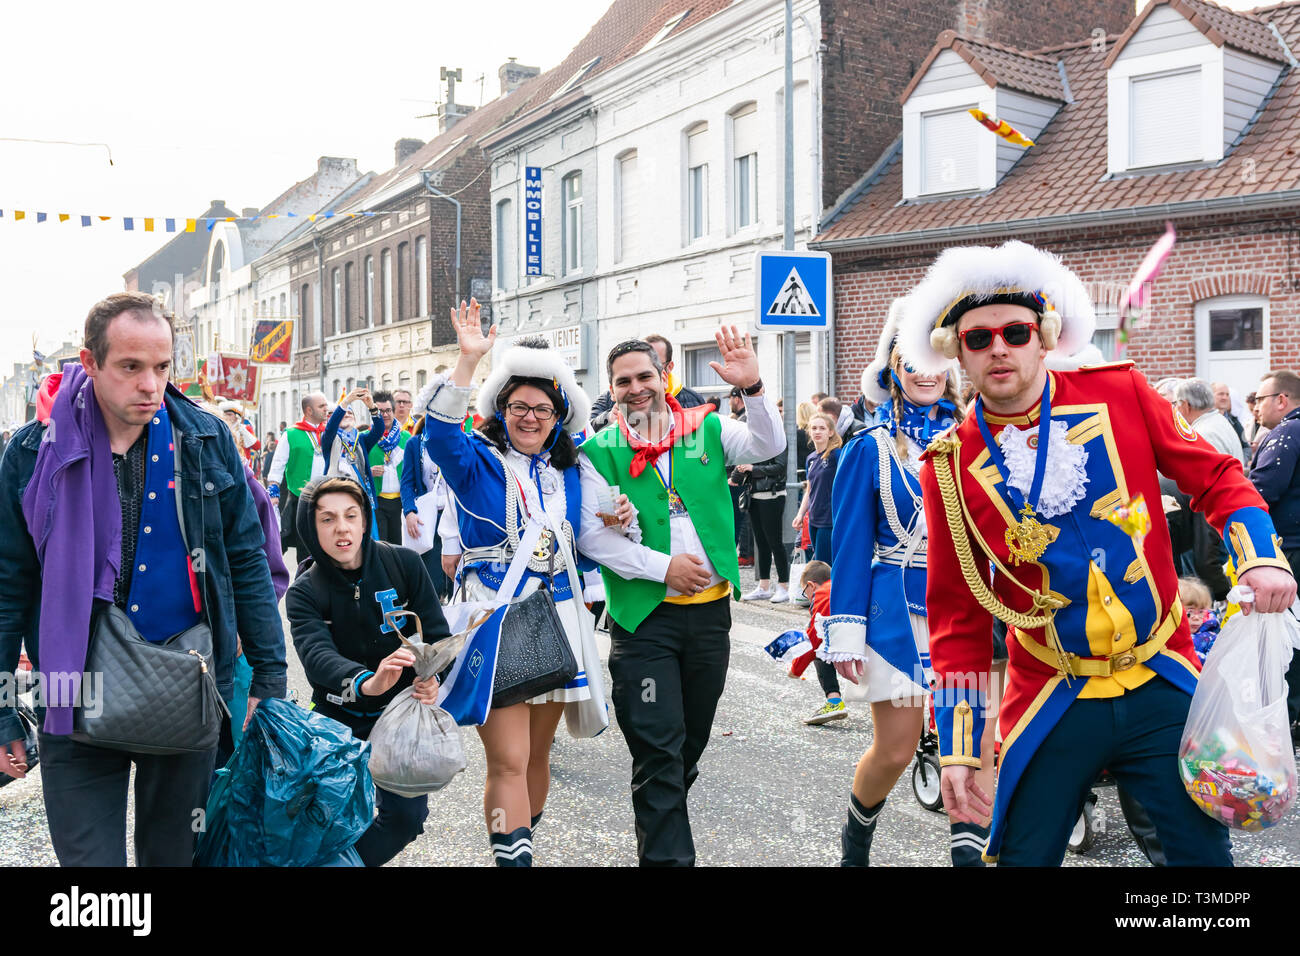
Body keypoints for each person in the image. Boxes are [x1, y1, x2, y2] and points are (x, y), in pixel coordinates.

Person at [900, 239, 1295, 866]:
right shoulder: (947, 466)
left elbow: (1217, 475)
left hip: (1160, 677)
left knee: (1203, 867)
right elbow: (956, 621)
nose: (999, 348)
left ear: (1043, 335)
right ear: (958, 356)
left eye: (1015, 331)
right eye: (978, 339)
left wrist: (1261, 555)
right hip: (1049, 691)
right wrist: (960, 748)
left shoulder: (1122, 391)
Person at [0, 291, 287, 865]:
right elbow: (9, 584)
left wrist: (270, 680)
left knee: (174, 860)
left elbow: (248, 563)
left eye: (161, 367)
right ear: (89, 363)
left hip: (185, 676)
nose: (150, 385)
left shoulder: (206, 442)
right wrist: (5, 704)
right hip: (69, 686)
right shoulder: (34, 453)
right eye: (131, 367)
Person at [416, 298, 616, 867]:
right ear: (500, 410)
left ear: (559, 417)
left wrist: (618, 513)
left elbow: (598, 527)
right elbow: (438, 437)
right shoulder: (476, 461)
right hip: (496, 620)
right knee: (507, 760)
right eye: (519, 407)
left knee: (535, 759)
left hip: (560, 618)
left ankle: (519, 847)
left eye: (543, 410)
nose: (531, 418)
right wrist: (467, 361)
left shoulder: (571, 471)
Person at [577, 330, 784, 866]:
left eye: (645, 376)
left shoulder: (708, 428)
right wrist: (662, 568)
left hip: (710, 617)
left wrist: (754, 387)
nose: (636, 388)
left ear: (664, 377)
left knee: (687, 746)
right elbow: (592, 537)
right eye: (623, 381)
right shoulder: (599, 452)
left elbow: (770, 446)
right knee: (657, 750)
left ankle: (660, 818)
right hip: (644, 624)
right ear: (612, 389)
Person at [820, 298, 984, 866]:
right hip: (896, 613)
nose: (926, 373)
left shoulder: (975, 440)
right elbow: (849, 546)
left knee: (973, 747)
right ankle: (855, 841)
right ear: (893, 368)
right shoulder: (866, 448)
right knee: (896, 749)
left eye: (936, 360)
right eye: (912, 360)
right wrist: (845, 628)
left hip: (965, 610)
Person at [286, 476, 450, 866]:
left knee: (406, 819)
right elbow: (316, 656)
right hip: (337, 717)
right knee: (330, 818)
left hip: (401, 715)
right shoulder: (305, 591)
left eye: (351, 516)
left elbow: (438, 634)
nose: (341, 528)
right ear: (311, 528)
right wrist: (368, 682)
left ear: (365, 520)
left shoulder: (404, 563)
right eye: (327, 520)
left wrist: (432, 679)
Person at [1249, 369, 1300, 729]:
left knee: (1289, 641)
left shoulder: (1286, 433)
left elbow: (1262, 490)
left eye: (1260, 399)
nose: (1254, 408)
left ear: (1281, 400)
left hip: (1292, 550)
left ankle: (1285, 717)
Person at [267, 392, 330, 558]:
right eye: (321, 406)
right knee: (305, 546)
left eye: (326, 405)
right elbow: (278, 464)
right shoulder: (291, 434)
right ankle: (304, 580)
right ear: (309, 411)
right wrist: (273, 491)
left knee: (326, 543)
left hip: (327, 495)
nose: (326, 409)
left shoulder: (329, 432)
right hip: (301, 496)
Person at [400, 407, 453, 602]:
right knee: (431, 573)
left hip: (454, 513)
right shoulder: (415, 444)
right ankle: (433, 615)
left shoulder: (458, 443)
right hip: (427, 515)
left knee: (454, 570)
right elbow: (406, 482)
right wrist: (409, 512)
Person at [319, 388, 382, 541]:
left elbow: (379, 429)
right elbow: (331, 427)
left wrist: (372, 407)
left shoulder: (360, 440)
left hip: (361, 494)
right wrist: (346, 402)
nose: (347, 414)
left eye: (350, 413)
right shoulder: (329, 438)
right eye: (343, 413)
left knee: (368, 537)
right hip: (339, 493)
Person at [737, 440, 791, 603]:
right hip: (754, 495)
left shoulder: (778, 440)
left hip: (772, 495)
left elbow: (780, 467)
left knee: (775, 542)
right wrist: (740, 471)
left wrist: (753, 468)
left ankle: (783, 586)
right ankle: (764, 586)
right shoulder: (753, 440)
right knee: (761, 543)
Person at [798, 561, 847, 726]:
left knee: (820, 653)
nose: (807, 597)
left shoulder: (822, 594)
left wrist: (796, 668)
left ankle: (834, 701)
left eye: (805, 592)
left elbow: (814, 639)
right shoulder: (839, 585)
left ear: (811, 585)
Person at [792, 411, 841, 565]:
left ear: (831, 432)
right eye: (814, 428)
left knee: (823, 564)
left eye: (822, 428)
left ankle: (827, 590)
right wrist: (800, 514)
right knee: (816, 563)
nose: (817, 432)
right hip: (814, 518)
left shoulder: (837, 455)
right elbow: (810, 488)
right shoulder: (811, 458)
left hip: (830, 519)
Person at [362, 391, 411, 545]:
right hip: (377, 501)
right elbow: (355, 469)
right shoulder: (365, 437)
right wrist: (368, 472)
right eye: (380, 411)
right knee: (381, 546)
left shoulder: (406, 438)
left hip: (401, 502)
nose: (385, 415)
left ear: (393, 411)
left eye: (388, 410)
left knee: (400, 546)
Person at [1175, 378, 1245, 466]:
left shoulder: (1203, 434)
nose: (1175, 409)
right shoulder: (1219, 421)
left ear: (1186, 405)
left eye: (1176, 403)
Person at [1178, 576, 1220, 665]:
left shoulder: (1211, 637)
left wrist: (1191, 655)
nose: (1196, 617)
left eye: (1201, 612)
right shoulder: (1168, 635)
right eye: (1190, 612)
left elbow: (1214, 664)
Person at [1213, 381, 1250, 448]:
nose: (1225, 397)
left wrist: (1240, 458)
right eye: (1221, 394)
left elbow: (1246, 447)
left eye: (1227, 394)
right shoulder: (1204, 420)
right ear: (1211, 395)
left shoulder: (1235, 422)